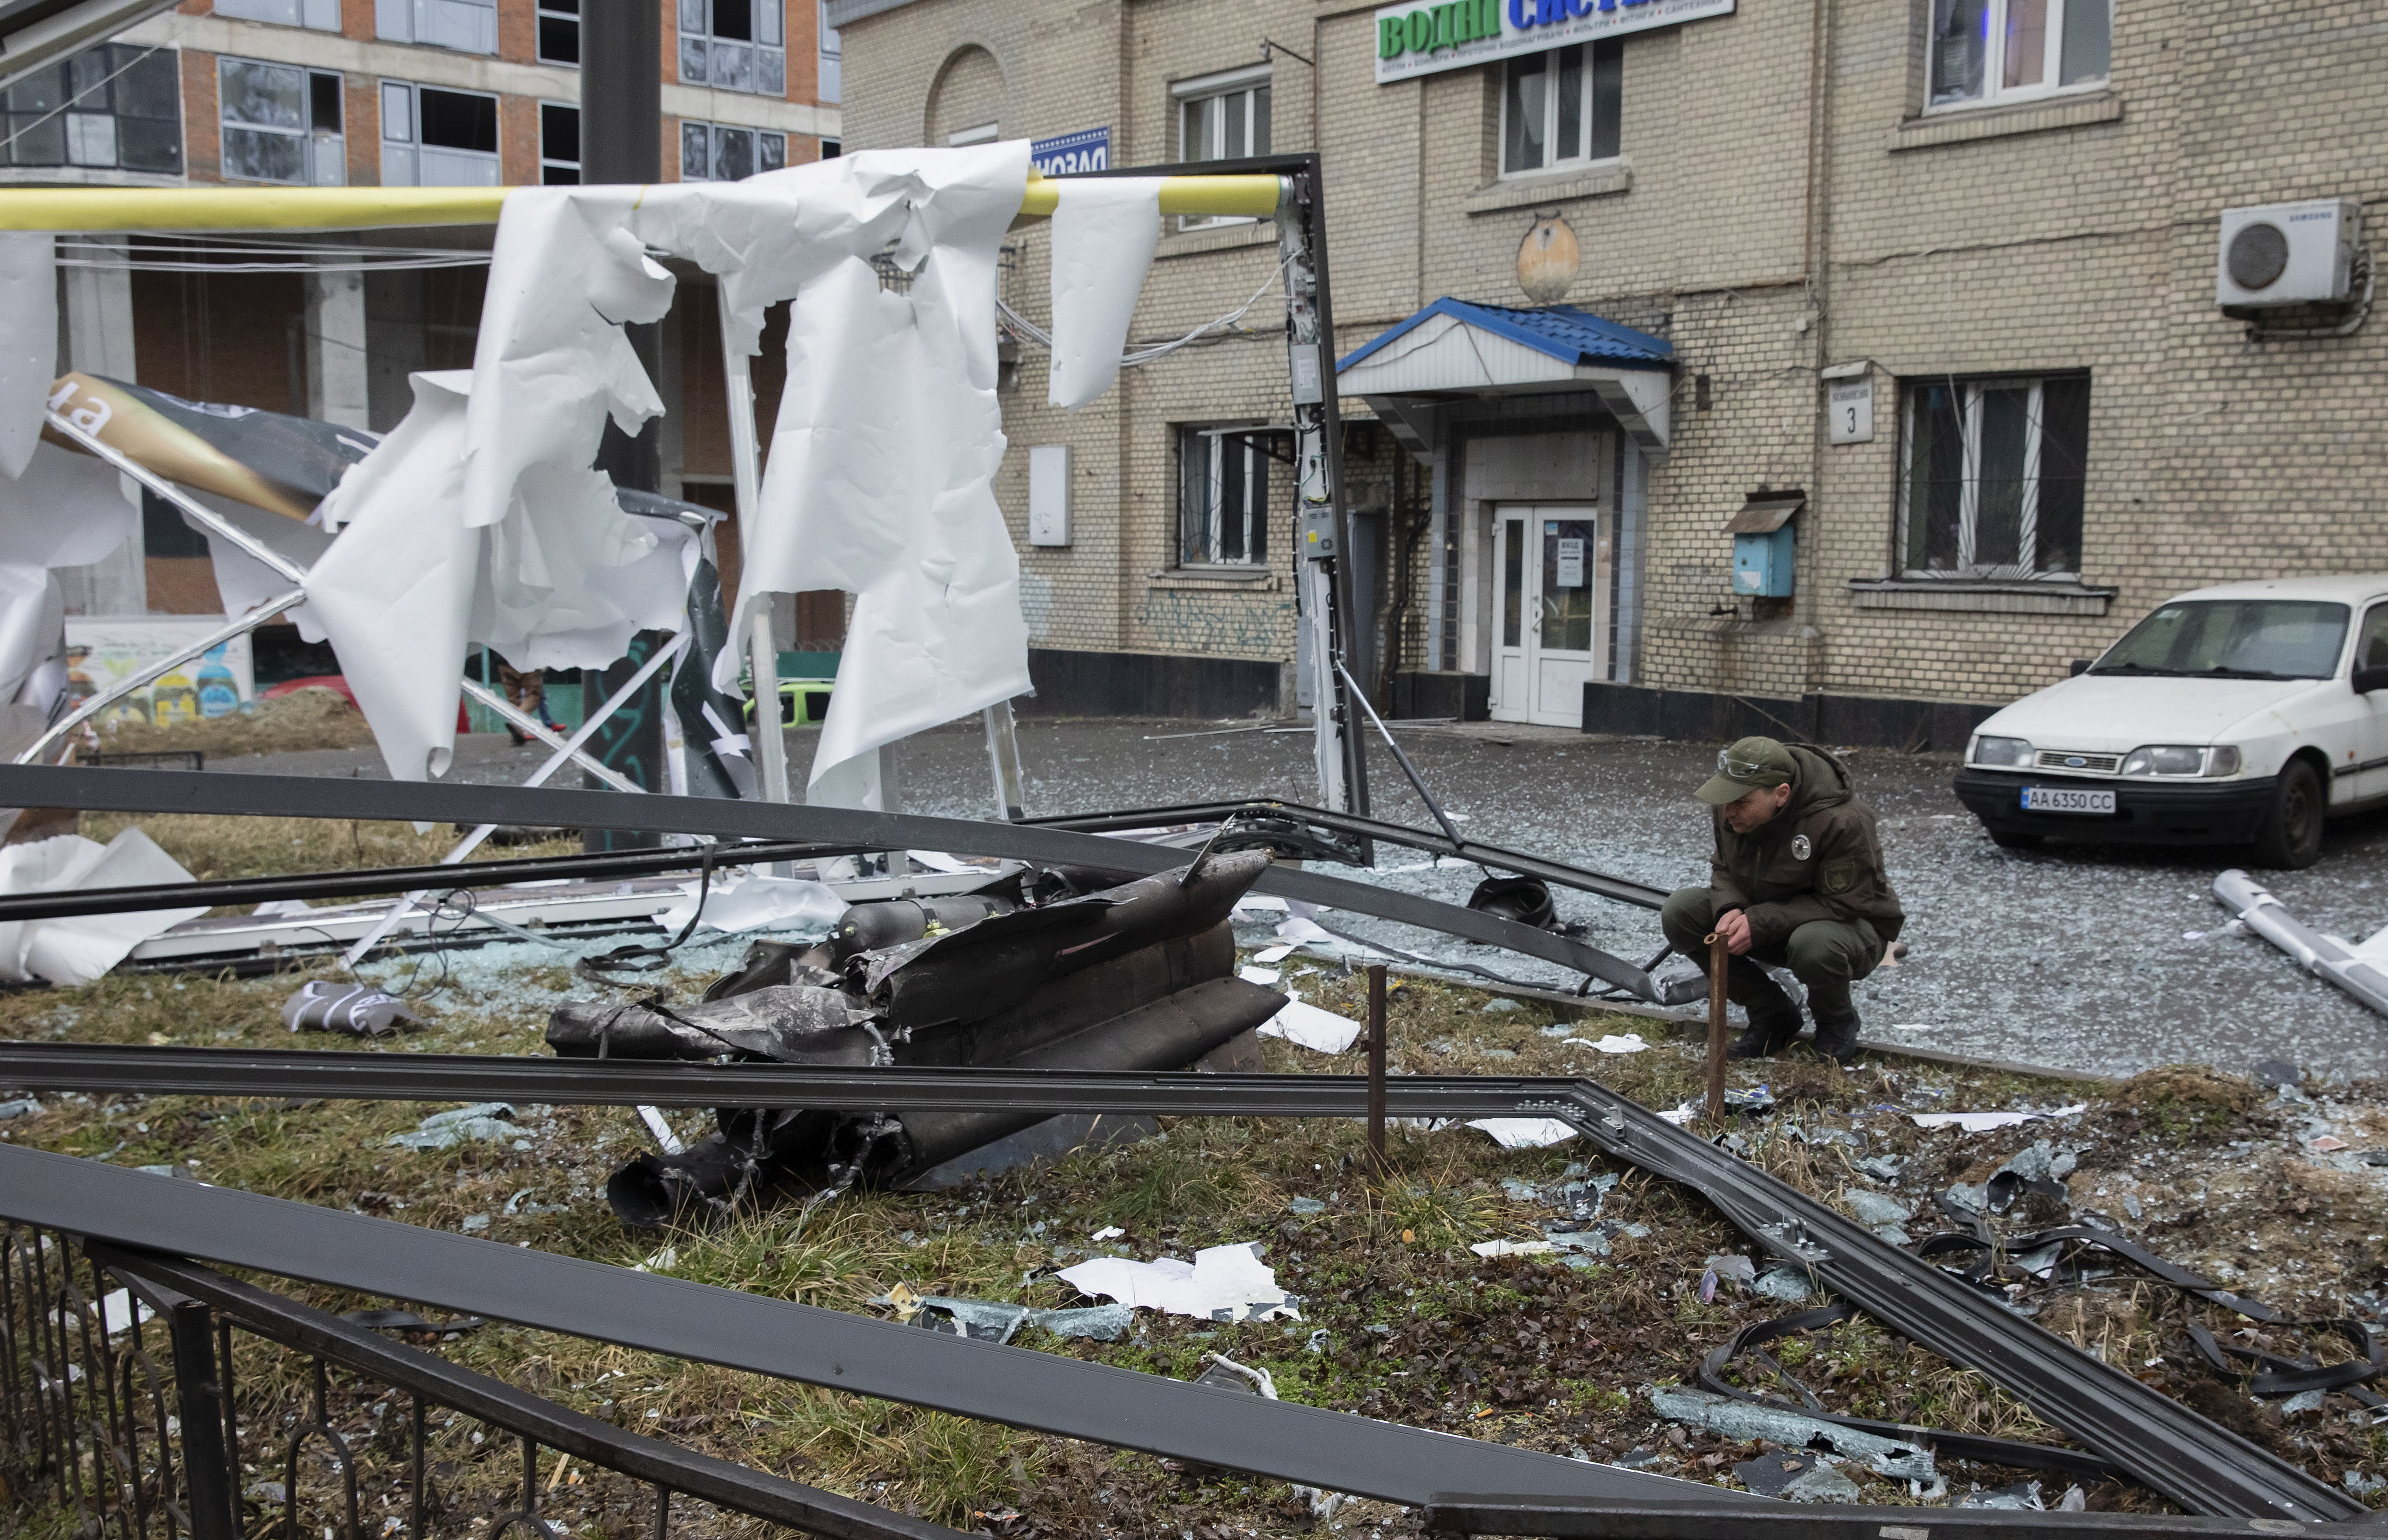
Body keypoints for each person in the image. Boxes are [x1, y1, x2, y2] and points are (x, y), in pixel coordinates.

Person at [1659, 736, 1904, 1065]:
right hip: (1769, 922)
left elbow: (1846, 903)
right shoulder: (1730, 805)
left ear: (1781, 794)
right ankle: (1773, 1015)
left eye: (1741, 802)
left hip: (1851, 929)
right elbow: (1723, 868)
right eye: (1725, 798)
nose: (1728, 811)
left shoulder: (1842, 820)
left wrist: (1758, 922)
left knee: (1813, 944)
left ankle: (1836, 1024)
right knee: (1681, 911)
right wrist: (1730, 908)